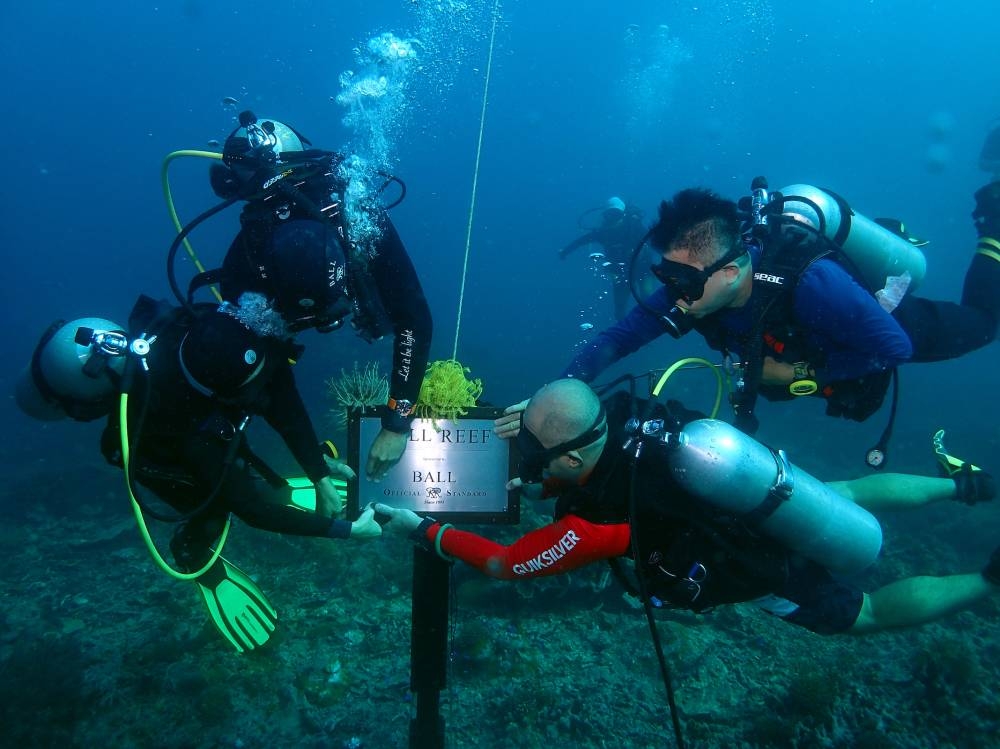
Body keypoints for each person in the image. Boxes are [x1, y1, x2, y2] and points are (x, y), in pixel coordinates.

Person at [377, 379, 999, 636]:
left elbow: (506, 564)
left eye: (535, 455)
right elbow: (562, 434)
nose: (527, 465)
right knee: (845, 494)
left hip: (755, 561)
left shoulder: (599, 524)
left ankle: (989, 578)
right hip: (760, 491)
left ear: (569, 459)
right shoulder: (619, 414)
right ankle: (965, 487)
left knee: (865, 612)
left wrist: (422, 529)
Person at [24, 293, 383, 651]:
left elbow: (278, 397)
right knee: (218, 505)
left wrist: (317, 469)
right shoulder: (178, 415)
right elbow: (251, 512)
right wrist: (346, 531)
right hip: (176, 453)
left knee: (232, 454)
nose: (255, 379)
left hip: (207, 431)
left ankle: (273, 489)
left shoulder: (208, 338)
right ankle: (195, 553)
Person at [560, 183, 1000, 433]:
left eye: (684, 281)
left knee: (984, 323)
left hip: (889, 321)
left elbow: (893, 349)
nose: (673, 294)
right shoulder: (695, 283)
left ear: (731, 271)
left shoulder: (813, 285)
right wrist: (560, 390)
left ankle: (993, 229)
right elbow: (620, 337)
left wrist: (796, 375)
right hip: (812, 336)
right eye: (666, 278)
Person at [196, 111, 433, 480]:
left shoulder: (356, 218)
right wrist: (315, 468)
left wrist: (397, 422)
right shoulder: (246, 262)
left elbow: (412, 317)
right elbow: (270, 374)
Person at [558, 197, 647, 320]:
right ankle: (626, 334)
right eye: (609, 214)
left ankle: (649, 327)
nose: (612, 218)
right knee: (619, 310)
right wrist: (565, 251)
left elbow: (655, 241)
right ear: (604, 216)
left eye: (616, 214)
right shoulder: (602, 233)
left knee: (648, 300)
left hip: (642, 268)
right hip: (620, 272)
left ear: (624, 214)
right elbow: (582, 241)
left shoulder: (634, 227)